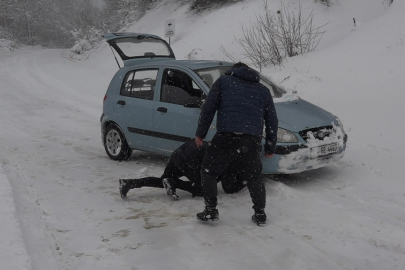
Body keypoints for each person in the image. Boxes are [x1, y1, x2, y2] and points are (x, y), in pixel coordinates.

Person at [195, 62, 278, 226]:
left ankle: (211, 210)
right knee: (254, 177)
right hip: (251, 140)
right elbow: (272, 121)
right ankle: (260, 214)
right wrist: (270, 146)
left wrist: (200, 134)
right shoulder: (263, 90)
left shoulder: (224, 82)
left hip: (226, 136)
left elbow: (208, 108)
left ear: (233, 71)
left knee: (209, 172)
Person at [119, 140, 247, 200]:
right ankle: (174, 183)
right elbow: (228, 188)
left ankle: (129, 183)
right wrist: (246, 181)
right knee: (202, 190)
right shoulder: (229, 162)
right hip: (190, 159)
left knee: (163, 181)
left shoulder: (223, 148)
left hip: (180, 152)